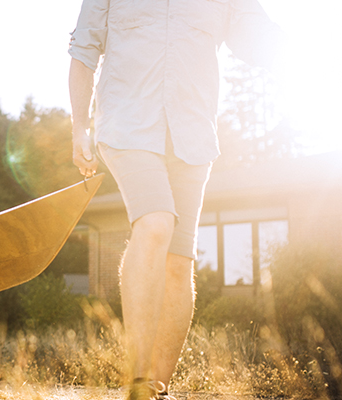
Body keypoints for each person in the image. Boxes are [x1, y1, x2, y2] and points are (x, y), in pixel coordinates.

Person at [67, 1, 282, 399]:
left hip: (192, 136)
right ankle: (137, 380)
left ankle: (157, 387)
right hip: (128, 125)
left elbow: (258, 41)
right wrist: (79, 126)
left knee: (179, 265)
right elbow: (83, 51)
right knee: (155, 223)